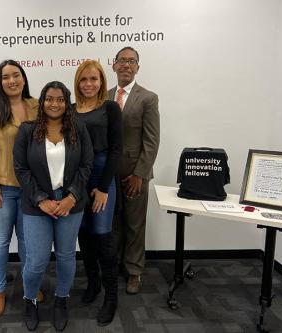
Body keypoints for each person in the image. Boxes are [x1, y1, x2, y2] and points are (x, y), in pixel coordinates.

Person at [13, 81, 93, 331]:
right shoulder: (28, 130)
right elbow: (21, 169)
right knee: (36, 260)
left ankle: (61, 299)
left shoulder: (78, 128)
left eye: (60, 99)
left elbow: (86, 165)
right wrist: (41, 200)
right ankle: (30, 299)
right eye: (49, 98)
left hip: (71, 201)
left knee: (66, 255)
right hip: (37, 202)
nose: (54, 104)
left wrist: (72, 197)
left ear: (66, 102)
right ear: (42, 101)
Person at [0, 60, 39, 317]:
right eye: (5, 77)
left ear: (23, 78)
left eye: (16, 75)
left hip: (30, 189)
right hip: (0, 187)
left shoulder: (36, 105)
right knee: (1, 240)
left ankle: (29, 284)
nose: (11, 80)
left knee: (27, 241)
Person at [73, 60, 122, 325]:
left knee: (103, 236)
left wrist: (103, 188)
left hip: (103, 176)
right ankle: (93, 284)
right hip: (78, 179)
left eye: (94, 79)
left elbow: (116, 150)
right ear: (78, 82)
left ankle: (111, 297)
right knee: (84, 234)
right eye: (84, 79)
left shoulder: (110, 108)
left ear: (102, 81)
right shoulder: (70, 110)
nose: (89, 84)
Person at [109, 46, 160, 294]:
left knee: (135, 225)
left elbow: (152, 141)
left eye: (132, 61)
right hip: (110, 175)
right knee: (114, 223)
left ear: (138, 67)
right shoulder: (105, 96)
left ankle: (135, 271)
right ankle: (118, 264)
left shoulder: (148, 98)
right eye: (122, 60)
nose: (126, 65)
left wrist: (140, 174)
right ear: (114, 65)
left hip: (135, 175)